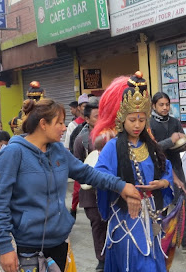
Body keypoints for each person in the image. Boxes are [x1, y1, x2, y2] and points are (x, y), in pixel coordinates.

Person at [0, 98, 142, 272]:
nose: (64, 127)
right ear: (43, 124)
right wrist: (5, 247)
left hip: (58, 244)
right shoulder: (13, 153)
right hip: (26, 248)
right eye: (59, 123)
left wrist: (120, 185)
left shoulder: (58, 151)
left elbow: (87, 173)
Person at [94, 71, 174, 272]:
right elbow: (99, 175)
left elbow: (167, 170)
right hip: (125, 218)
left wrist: (163, 183)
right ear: (122, 119)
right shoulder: (112, 147)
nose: (137, 125)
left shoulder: (152, 146)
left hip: (150, 215)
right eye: (132, 119)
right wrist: (122, 189)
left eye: (141, 119)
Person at [150, 91, 186, 253]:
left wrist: (184, 143)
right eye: (161, 105)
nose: (165, 108)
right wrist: (171, 140)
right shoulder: (149, 124)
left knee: (183, 203)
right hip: (158, 171)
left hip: (176, 168)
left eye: (167, 104)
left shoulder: (175, 122)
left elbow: (181, 145)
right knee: (161, 207)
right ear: (154, 106)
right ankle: (159, 242)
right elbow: (153, 149)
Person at [72, 103, 107, 271]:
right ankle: (101, 260)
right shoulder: (81, 139)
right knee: (98, 225)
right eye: (96, 116)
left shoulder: (110, 135)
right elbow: (76, 166)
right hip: (90, 194)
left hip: (109, 190)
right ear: (86, 119)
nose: (100, 119)